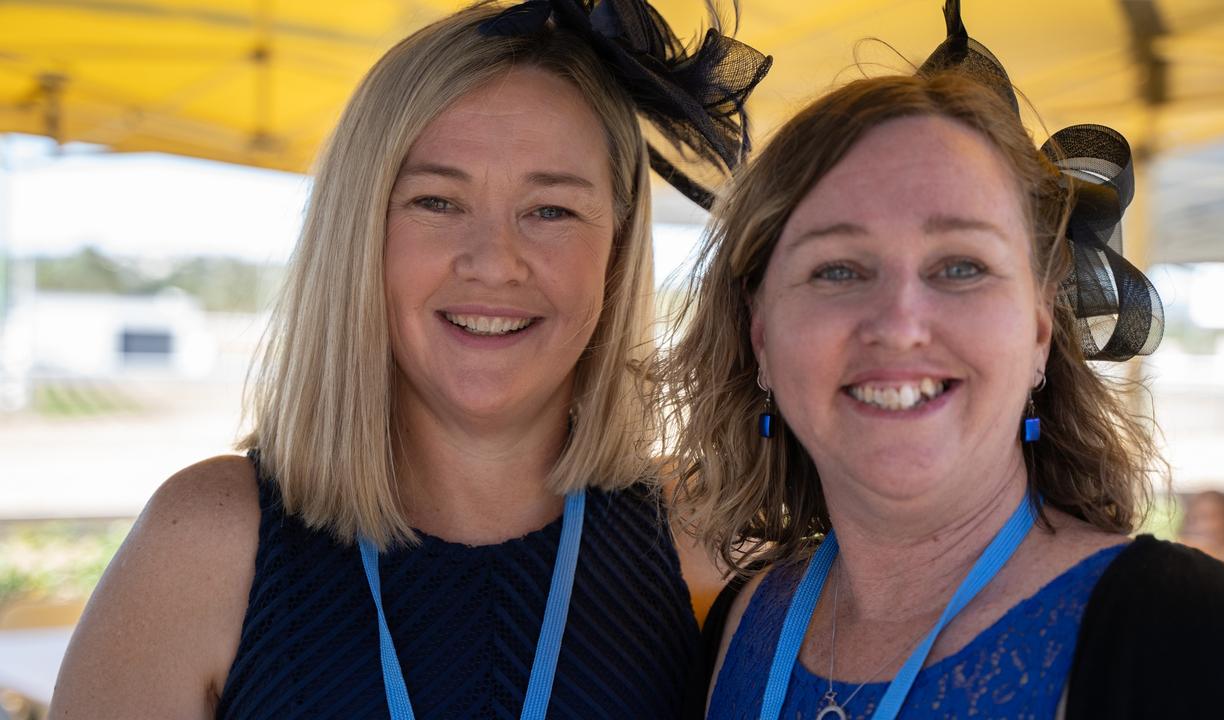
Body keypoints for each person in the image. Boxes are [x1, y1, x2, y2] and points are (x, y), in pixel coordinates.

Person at [49, 1, 769, 718]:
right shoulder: (205, 545)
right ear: (357, 231)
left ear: (615, 249)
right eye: (437, 202)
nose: (494, 263)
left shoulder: (710, 555)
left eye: (551, 210)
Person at [655, 2, 1224, 718]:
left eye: (960, 267)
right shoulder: (736, 626)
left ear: (1041, 328)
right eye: (836, 270)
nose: (899, 324)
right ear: (760, 333)